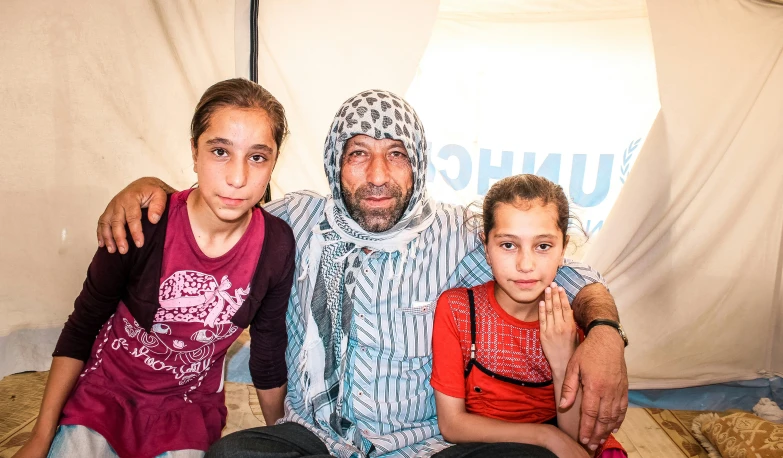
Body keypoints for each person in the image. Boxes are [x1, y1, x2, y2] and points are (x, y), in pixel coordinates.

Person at [96, 90, 628, 457]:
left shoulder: (455, 234)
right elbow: (221, 206)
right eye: (359, 155)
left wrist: (604, 333)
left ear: (416, 163)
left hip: (426, 444)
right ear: (334, 162)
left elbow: (571, 273)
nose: (377, 176)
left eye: (395, 155)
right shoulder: (294, 222)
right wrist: (151, 190)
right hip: (315, 438)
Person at [14, 79, 296, 458]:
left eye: (257, 157)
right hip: (106, 394)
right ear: (194, 152)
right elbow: (83, 324)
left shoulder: (276, 246)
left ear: (274, 162)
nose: (238, 178)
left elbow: (268, 353)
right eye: (219, 151)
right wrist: (40, 436)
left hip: (186, 409)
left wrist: (284, 438)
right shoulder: (140, 223)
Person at [430, 174, 626, 458]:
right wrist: (546, 436)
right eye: (508, 245)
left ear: (563, 249)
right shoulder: (458, 309)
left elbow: (578, 442)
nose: (525, 264)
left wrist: (562, 361)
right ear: (486, 247)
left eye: (543, 246)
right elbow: (452, 424)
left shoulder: (574, 319)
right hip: (482, 448)